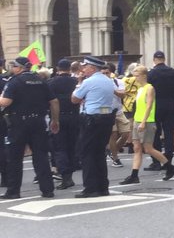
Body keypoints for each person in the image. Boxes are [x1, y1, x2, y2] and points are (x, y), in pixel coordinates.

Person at [0, 55, 58, 199]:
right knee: (41, 157)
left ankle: (13, 191)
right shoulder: (40, 80)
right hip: (38, 122)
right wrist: (55, 120)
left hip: (19, 123)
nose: (12, 69)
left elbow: (6, 102)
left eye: (13, 66)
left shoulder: (14, 82)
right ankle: (47, 190)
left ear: (19, 67)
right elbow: (54, 101)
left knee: (15, 158)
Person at [119, 65, 174, 183]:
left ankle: (169, 167)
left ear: (144, 76)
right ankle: (134, 175)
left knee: (148, 148)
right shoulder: (140, 89)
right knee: (137, 148)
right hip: (138, 120)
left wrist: (143, 122)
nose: (135, 78)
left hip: (146, 122)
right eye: (134, 76)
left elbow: (149, 105)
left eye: (137, 76)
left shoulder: (149, 88)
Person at [71, 57, 118, 198]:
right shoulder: (108, 81)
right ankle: (103, 187)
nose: (83, 69)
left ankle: (90, 188)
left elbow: (74, 99)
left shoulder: (88, 82)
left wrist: (79, 83)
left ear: (92, 68)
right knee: (99, 153)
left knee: (87, 154)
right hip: (106, 119)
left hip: (91, 120)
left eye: (85, 67)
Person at [146, 50, 174, 169]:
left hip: (155, 105)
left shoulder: (151, 74)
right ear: (164, 59)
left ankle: (157, 161)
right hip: (169, 104)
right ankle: (168, 159)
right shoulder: (173, 72)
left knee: (155, 133)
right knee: (169, 132)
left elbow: (147, 90)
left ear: (154, 60)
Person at [47, 59, 80, 190]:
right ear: (70, 69)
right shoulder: (76, 82)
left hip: (57, 117)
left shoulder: (51, 82)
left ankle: (65, 176)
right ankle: (70, 176)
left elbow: (47, 100)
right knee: (72, 146)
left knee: (59, 147)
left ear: (57, 68)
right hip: (74, 116)